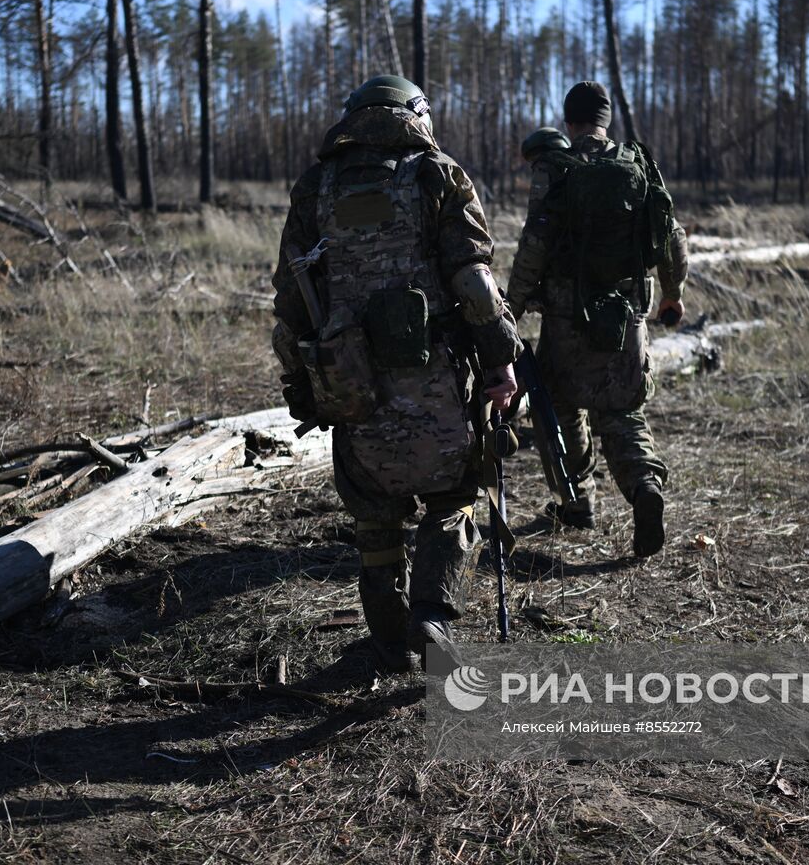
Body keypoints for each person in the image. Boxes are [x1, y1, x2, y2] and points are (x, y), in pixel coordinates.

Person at [271, 75, 521, 672]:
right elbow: (473, 279)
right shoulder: (437, 174)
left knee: (372, 507)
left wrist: (301, 383)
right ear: (416, 114)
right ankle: (432, 617)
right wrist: (500, 356)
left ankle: (387, 638)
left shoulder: (317, 186)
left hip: (350, 378)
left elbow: (289, 301)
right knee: (453, 496)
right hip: (433, 372)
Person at [506, 81, 689, 557]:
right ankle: (645, 487)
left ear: (568, 121)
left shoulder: (558, 168)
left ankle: (576, 500)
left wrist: (515, 302)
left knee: (561, 408)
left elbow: (535, 243)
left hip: (567, 320)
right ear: (606, 120)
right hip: (627, 317)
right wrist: (673, 294)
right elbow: (672, 235)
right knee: (623, 412)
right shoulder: (636, 165)